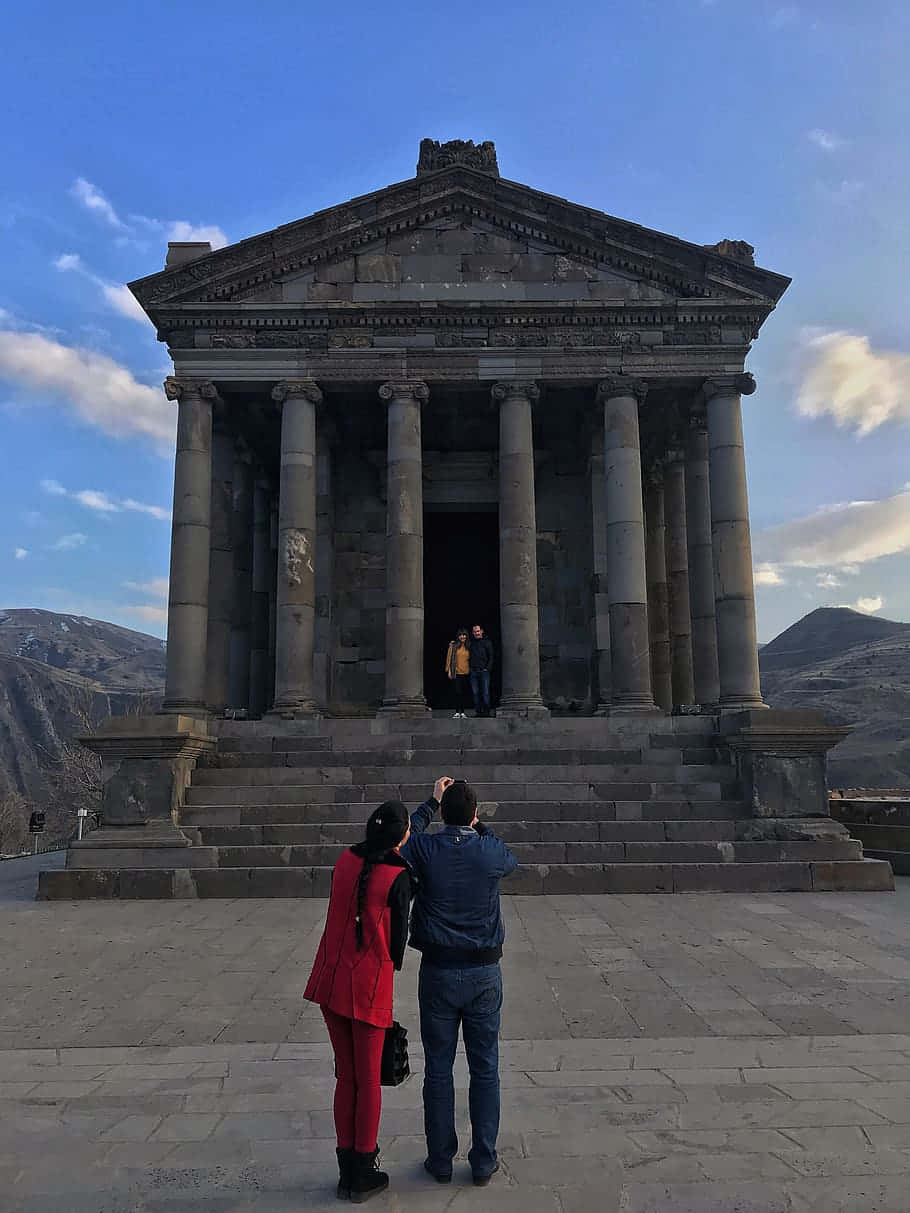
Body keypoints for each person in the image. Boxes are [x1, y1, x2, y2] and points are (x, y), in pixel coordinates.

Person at [402, 777, 518, 1186]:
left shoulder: (426, 849)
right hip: (484, 971)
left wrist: (429, 803)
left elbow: (403, 839)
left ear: (443, 813)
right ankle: (484, 1160)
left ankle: (440, 1159)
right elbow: (509, 856)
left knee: (438, 1068)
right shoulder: (489, 852)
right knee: (486, 1067)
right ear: (472, 814)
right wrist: (478, 823)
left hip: (438, 971)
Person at [304, 797, 419, 1202]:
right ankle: (364, 1168)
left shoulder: (345, 861)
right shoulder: (398, 876)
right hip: (368, 984)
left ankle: (345, 1168)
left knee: (347, 1075)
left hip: (330, 979)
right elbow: (398, 946)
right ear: (401, 838)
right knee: (369, 1080)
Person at [444, 627, 472, 718]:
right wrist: (448, 670)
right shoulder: (453, 645)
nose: (462, 637)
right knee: (457, 692)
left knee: (464, 693)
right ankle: (457, 711)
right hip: (456, 672)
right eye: (460, 635)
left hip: (466, 672)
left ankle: (463, 712)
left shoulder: (469, 646)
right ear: (458, 636)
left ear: (466, 636)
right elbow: (449, 657)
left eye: (464, 635)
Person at [469, 624, 494, 717]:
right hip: (473, 671)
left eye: (478, 631)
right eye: (475, 632)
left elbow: (491, 656)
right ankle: (478, 712)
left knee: (486, 692)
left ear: (481, 631)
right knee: (475, 693)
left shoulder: (487, 642)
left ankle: (486, 712)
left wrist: (487, 668)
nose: (476, 633)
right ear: (473, 633)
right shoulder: (471, 643)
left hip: (484, 671)